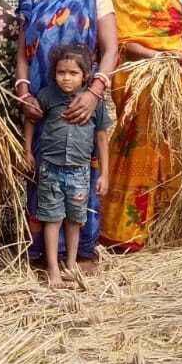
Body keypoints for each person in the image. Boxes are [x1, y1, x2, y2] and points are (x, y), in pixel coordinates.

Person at [15, 0, 120, 262]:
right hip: (42, 100)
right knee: (43, 171)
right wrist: (24, 92)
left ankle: (80, 252)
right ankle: (44, 255)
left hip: (82, 100)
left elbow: (111, 48)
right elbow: (23, 53)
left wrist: (93, 93)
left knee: (80, 171)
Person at [99, 0, 182, 251]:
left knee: (172, 146)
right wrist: (158, 56)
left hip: (174, 81)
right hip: (139, 80)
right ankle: (125, 228)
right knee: (137, 147)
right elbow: (124, 41)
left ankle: (166, 224)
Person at [23, 45, 112, 287]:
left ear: (85, 76)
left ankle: (71, 264)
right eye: (61, 72)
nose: (66, 78)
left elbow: (102, 137)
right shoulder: (47, 96)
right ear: (54, 74)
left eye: (73, 73)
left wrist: (105, 174)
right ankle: (53, 270)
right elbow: (31, 121)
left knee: (75, 220)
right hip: (50, 170)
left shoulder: (94, 103)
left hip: (80, 172)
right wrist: (28, 150)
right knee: (52, 219)